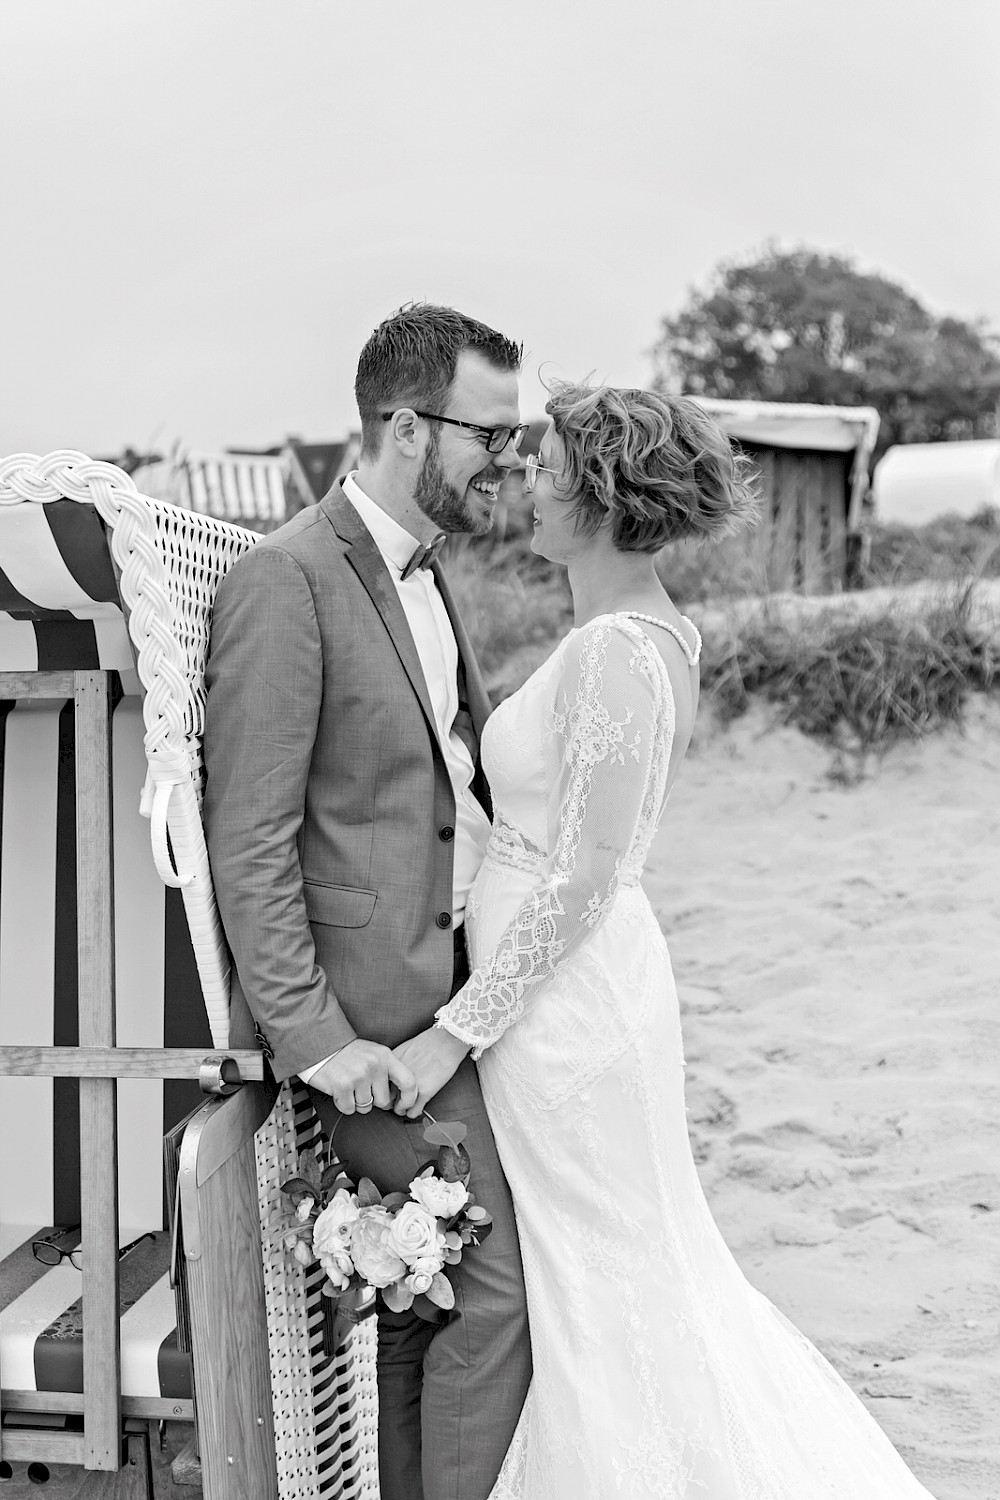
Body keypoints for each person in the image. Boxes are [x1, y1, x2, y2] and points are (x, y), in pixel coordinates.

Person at [416, 382, 939, 1498]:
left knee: (609, 1273)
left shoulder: (614, 648)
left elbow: (586, 873)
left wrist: (456, 1029)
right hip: (577, 990)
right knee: (611, 1269)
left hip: (563, 1009)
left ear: (600, 494)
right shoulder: (651, 632)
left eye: (546, 466)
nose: (522, 483)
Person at [202, 303, 532, 1500]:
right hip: (375, 1039)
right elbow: (251, 839)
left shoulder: (430, 578)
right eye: (490, 434)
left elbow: (454, 786)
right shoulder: (283, 582)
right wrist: (319, 1043)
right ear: (407, 425)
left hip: (455, 1009)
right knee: (496, 1295)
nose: (509, 459)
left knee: (420, 1307)